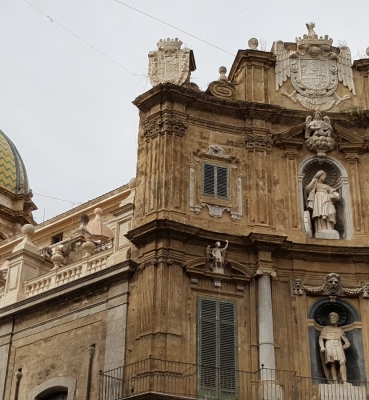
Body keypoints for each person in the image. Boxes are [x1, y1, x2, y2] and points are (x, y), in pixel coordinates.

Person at [319, 312, 350, 382]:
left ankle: (344, 381)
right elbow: (321, 338)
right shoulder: (325, 329)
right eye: (331, 318)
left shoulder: (339, 330)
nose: (332, 319)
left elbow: (346, 340)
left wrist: (347, 344)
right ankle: (335, 381)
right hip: (329, 344)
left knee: (342, 361)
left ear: (337, 319)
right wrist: (322, 347)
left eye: (334, 318)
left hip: (338, 345)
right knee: (332, 363)